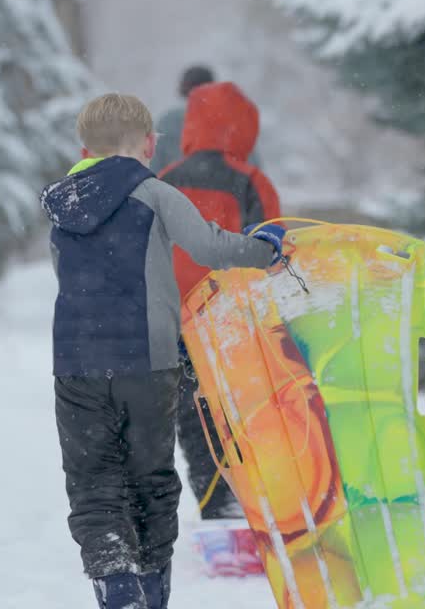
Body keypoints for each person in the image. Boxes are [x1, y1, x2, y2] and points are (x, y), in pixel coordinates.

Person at [40, 93, 286, 609]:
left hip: (77, 363)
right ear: (149, 144)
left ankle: (117, 585)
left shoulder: (63, 202)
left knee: (92, 480)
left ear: (83, 147)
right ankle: (149, 592)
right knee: (149, 478)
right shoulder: (153, 192)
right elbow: (211, 248)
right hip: (148, 362)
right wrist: (266, 248)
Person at [158, 81, 281, 522]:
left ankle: (215, 499)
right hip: (231, 316)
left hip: (175, 317)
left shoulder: (165, 178)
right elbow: (270, 247)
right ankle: (255, 497)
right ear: (240, 127)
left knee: (192, 411)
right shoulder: (250, 180)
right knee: (243, 405)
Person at [152, 65, 262, 174]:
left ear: (183, 89)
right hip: (226, 188)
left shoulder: (167, 122)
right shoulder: (230, 120)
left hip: (175, 187)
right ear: (214, 89)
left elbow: (153, 166)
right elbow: (252, 166)